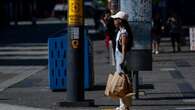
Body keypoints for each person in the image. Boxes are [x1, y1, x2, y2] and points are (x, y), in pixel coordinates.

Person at [111, 11, 133, 110]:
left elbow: (124, 47)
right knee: (122, 82)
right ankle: (123, 105)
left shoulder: (124, 32)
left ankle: (124, 105)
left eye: (115, 19)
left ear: (120, 21)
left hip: (121, 58)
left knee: (123, 83)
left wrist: (122, 60)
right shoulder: (120, 31)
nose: (114, 21)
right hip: (119, 57)